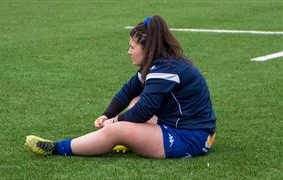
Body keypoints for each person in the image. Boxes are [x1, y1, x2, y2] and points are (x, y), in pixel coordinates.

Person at [25, 15, 216, 159]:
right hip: (186, 127)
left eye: (132, 47)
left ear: (147, 49)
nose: (128, 52)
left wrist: (114, 122)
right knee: (135, 100)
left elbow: (145, 110)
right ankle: (124, 141)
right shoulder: (160, 63)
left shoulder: (165, 69)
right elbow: (128, 91)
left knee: (117, 129)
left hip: (192, 138)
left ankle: (56, 148)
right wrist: (106, 114)